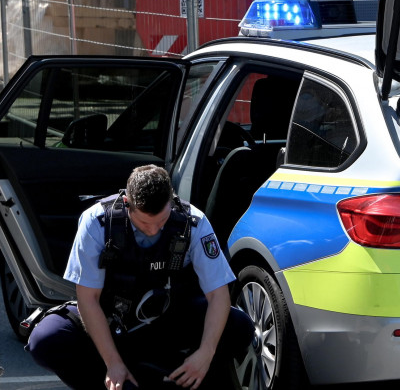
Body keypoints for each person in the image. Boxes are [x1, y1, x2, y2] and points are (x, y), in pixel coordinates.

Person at [26, 164, 253, 389]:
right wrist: (113, 363)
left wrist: (206, 353)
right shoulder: (97, 221)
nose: (153, 230)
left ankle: (186, 377)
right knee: (46, 340)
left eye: (161, 222)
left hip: (167, 320)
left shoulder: (193, 222)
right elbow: (88, 299)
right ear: (127, 203)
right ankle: (114, 381)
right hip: (111, 319)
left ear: (172, 201)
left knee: (239, 325)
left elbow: (218, 293)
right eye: (144, 222)